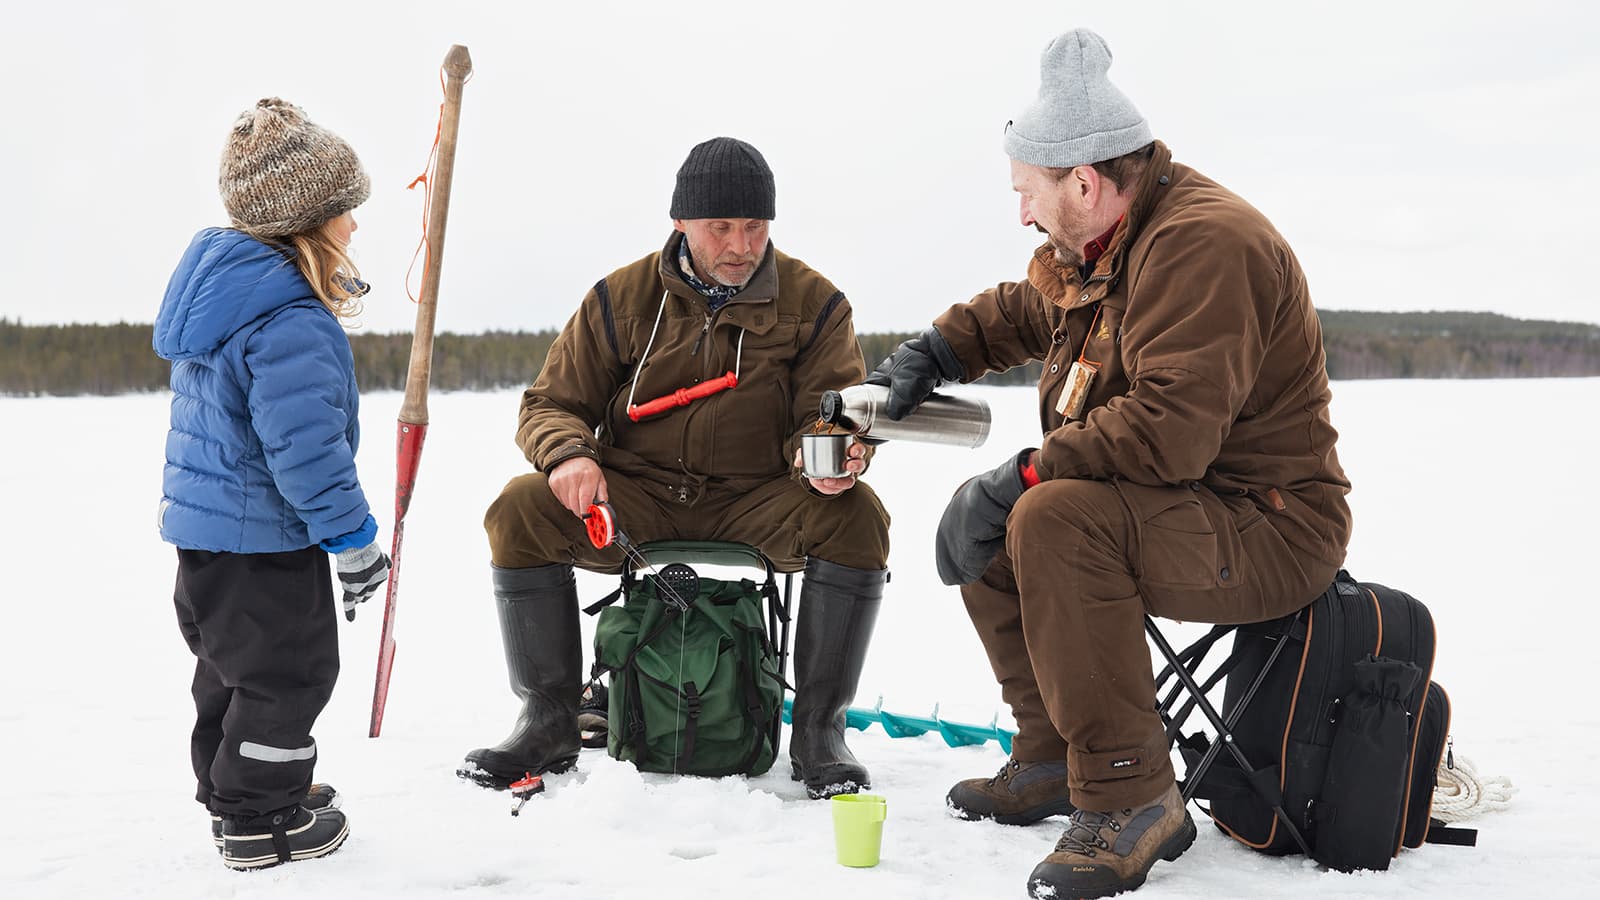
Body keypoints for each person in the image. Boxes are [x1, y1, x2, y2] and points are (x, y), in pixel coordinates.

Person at [867, 30, 1352, 899]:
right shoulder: (1112, 241)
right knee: (1000, 528)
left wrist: (1020, 474)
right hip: (1186, 512)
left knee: (1048, 514)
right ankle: (1055, 756)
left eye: (1028, 194)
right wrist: (937, 349)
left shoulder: (1207, 245)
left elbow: (1169, 431)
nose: (1021, 214)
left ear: (1084, 183)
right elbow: (1032, 306)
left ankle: (1132, 792)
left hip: (1271, 523)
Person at [458, 137, 892, 800]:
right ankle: (547, 722)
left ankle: (818, 733)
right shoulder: (619, 298)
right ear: (681, 223)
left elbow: (831, 410)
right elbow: (549, 404)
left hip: (760, 499)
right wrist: (570, 454)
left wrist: (826, 454)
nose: (741, 246)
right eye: (721, 228)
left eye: (755, 227)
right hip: (639, 497)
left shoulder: (816, 304)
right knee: (520, 508)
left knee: (858, 516)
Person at [154, 97, 391, 870]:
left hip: (211, 541)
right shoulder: (288, 319)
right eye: (342, 213)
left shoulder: (228, 305)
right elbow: (308, 454)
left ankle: (241, 794)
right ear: (305, 224)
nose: (354, 227)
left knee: (233, 676)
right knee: (288, 675)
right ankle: (263, 818)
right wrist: (353, 540)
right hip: (263, 541)